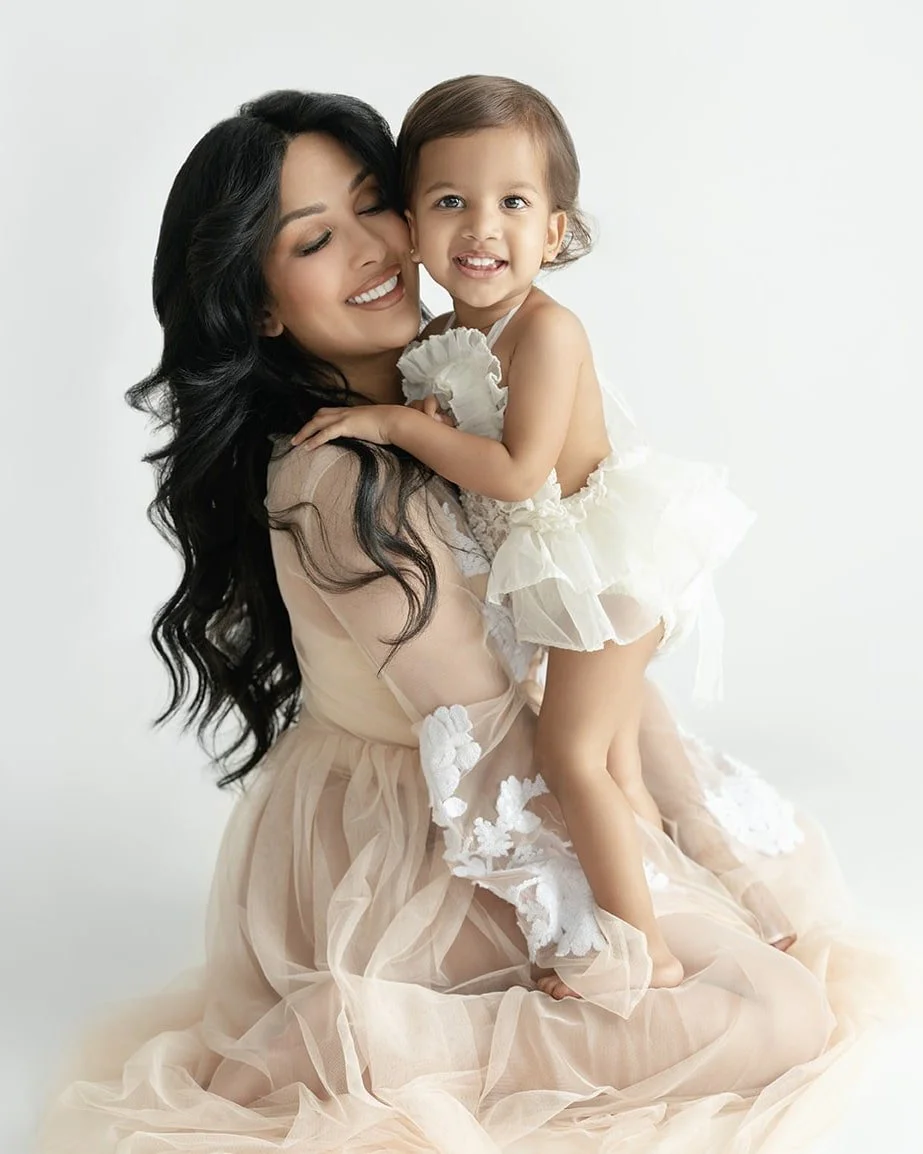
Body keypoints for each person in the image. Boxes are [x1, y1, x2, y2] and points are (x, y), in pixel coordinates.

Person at [37, 88, 896, 1154]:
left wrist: (694, 846)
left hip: (519, 760)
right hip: (437, 819)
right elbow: (486, 739)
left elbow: (580, 647)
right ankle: (362, 1030)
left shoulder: (449, 379)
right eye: (314, 239)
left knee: (778, 929)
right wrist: (595, 929)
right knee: (775, 1014)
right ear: (261, 305)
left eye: (373, 206)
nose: (374, 250)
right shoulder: (342, 478)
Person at [293, 75, 753, 992]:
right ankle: (710, 910)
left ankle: (643, 956)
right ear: (414, 230)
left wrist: (398, 425)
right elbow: (457, 410)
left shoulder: (547, 332)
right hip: (551, 573)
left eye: (513, 203)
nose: (480, 229)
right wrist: (423, 406)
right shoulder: (446, 336)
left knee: (571, 755)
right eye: (449, 202)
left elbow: (513, 470)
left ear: (555, 230)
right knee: (618, 771)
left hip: (602, 571)